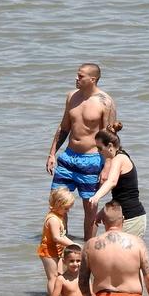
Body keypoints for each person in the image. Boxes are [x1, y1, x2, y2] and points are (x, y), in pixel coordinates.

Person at [46, 63, 117, 241]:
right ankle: (64, 244)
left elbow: (109, 139)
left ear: (92, 79)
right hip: (68, 157)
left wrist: (107, 166)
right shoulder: (72, 97)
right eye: (77, 75)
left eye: (80, 76)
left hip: (92, 160)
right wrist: (52, 153)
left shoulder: (105, 102)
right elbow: (64, 128)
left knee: (90, 207)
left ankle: (88, 249)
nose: (76, 79)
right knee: (57, 203)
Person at [88, 123, 147, 238]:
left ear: (110, 145)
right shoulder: (118, 157)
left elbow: (112, 182)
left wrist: (96, 197)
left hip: (132, 218)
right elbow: (120, 196)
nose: (98, 152)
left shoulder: (119, 159)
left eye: (100, 148)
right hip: (126, 216)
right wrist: (102, 213)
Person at [37, 187, 77, 296]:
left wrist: (73, 245)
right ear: (58, 204)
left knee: (60, 275)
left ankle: (59, 295)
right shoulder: (53, 219)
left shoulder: (59, 216)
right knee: (52, 276)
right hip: (48, 251)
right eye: (66, 208)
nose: (68, 211)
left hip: (57, 250)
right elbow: (56, 238)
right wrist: (73, 244)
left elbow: (62, 235)